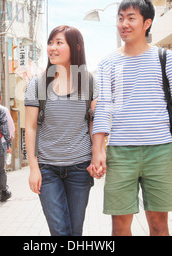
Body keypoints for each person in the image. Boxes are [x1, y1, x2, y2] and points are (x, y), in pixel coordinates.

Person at [90, 0, 172, 236]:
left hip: (160, 150)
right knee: (120, 226)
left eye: (131, 18)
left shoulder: (164, 57)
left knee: (159, 225)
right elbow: (103, 107)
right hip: (120, 152)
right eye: (120, 18)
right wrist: (98, 150)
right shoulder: (107, 62)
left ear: (146, 23)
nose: (123, 24)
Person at [24, 25, 98, 236]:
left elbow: (97, 121)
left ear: (75, 47)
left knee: (75, 232)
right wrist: (33, 168)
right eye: (50, 43)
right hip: (47, 170)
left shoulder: (89, 82)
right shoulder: (38, 84)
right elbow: (30, 128)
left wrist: (97, 156)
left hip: (80, 169)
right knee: (60, 231)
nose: (52, 48)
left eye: (59, 42)